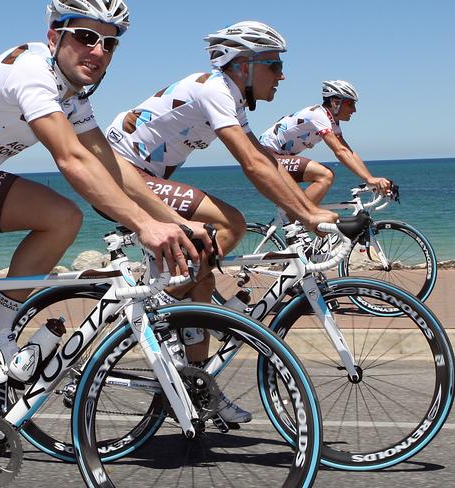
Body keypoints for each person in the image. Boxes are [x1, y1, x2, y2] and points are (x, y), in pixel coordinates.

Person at [0, 1, 211, 486]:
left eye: (109, 42)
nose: (98, 50)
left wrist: (171, 219)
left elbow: (110, 167)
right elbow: (71, 159)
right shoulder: (31, 71)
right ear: (54, 36)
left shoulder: (73, 95)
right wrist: (143, 226)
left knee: (61, 217)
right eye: (85, 37)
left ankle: (3, 322)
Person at [104, 21, 338, 423]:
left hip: (145, 177)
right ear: (244, 65)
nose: (282, 76)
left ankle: (199, 389)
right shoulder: (214, 89)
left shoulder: (230, 98)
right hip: (121, 176)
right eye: (274, 65)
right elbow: (250, 164)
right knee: (230, 225)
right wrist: (306, 214)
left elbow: (263, 156)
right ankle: (163, 312)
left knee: (204, 277)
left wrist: (309, 209)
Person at [259, 80, 391, 204]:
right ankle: (296, 216)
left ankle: (298, 218)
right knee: (325, 175)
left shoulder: (331, 121)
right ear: (335, 102)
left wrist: (369, 178)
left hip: (278, 157)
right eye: (350, 104)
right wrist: (368, 179)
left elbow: (348, 151)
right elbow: (339, 151)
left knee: (319, 224)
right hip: (266, 156)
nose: (354, 110)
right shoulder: (318, 115)